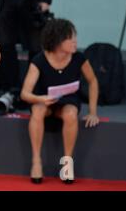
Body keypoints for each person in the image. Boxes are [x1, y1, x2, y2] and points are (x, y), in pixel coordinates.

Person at [20, 18, 99, 184]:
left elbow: (92, 81)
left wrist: (93, 112)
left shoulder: (79, 58)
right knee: (38, 110)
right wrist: (40, 98)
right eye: (70, 38)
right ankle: (36, 161)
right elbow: (25, 94)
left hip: (68, 99)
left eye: (75, 37)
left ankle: (67, 163)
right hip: (44, 100)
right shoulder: (39, 60)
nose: (75, 42)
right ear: (57, 40)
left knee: (71, 114)